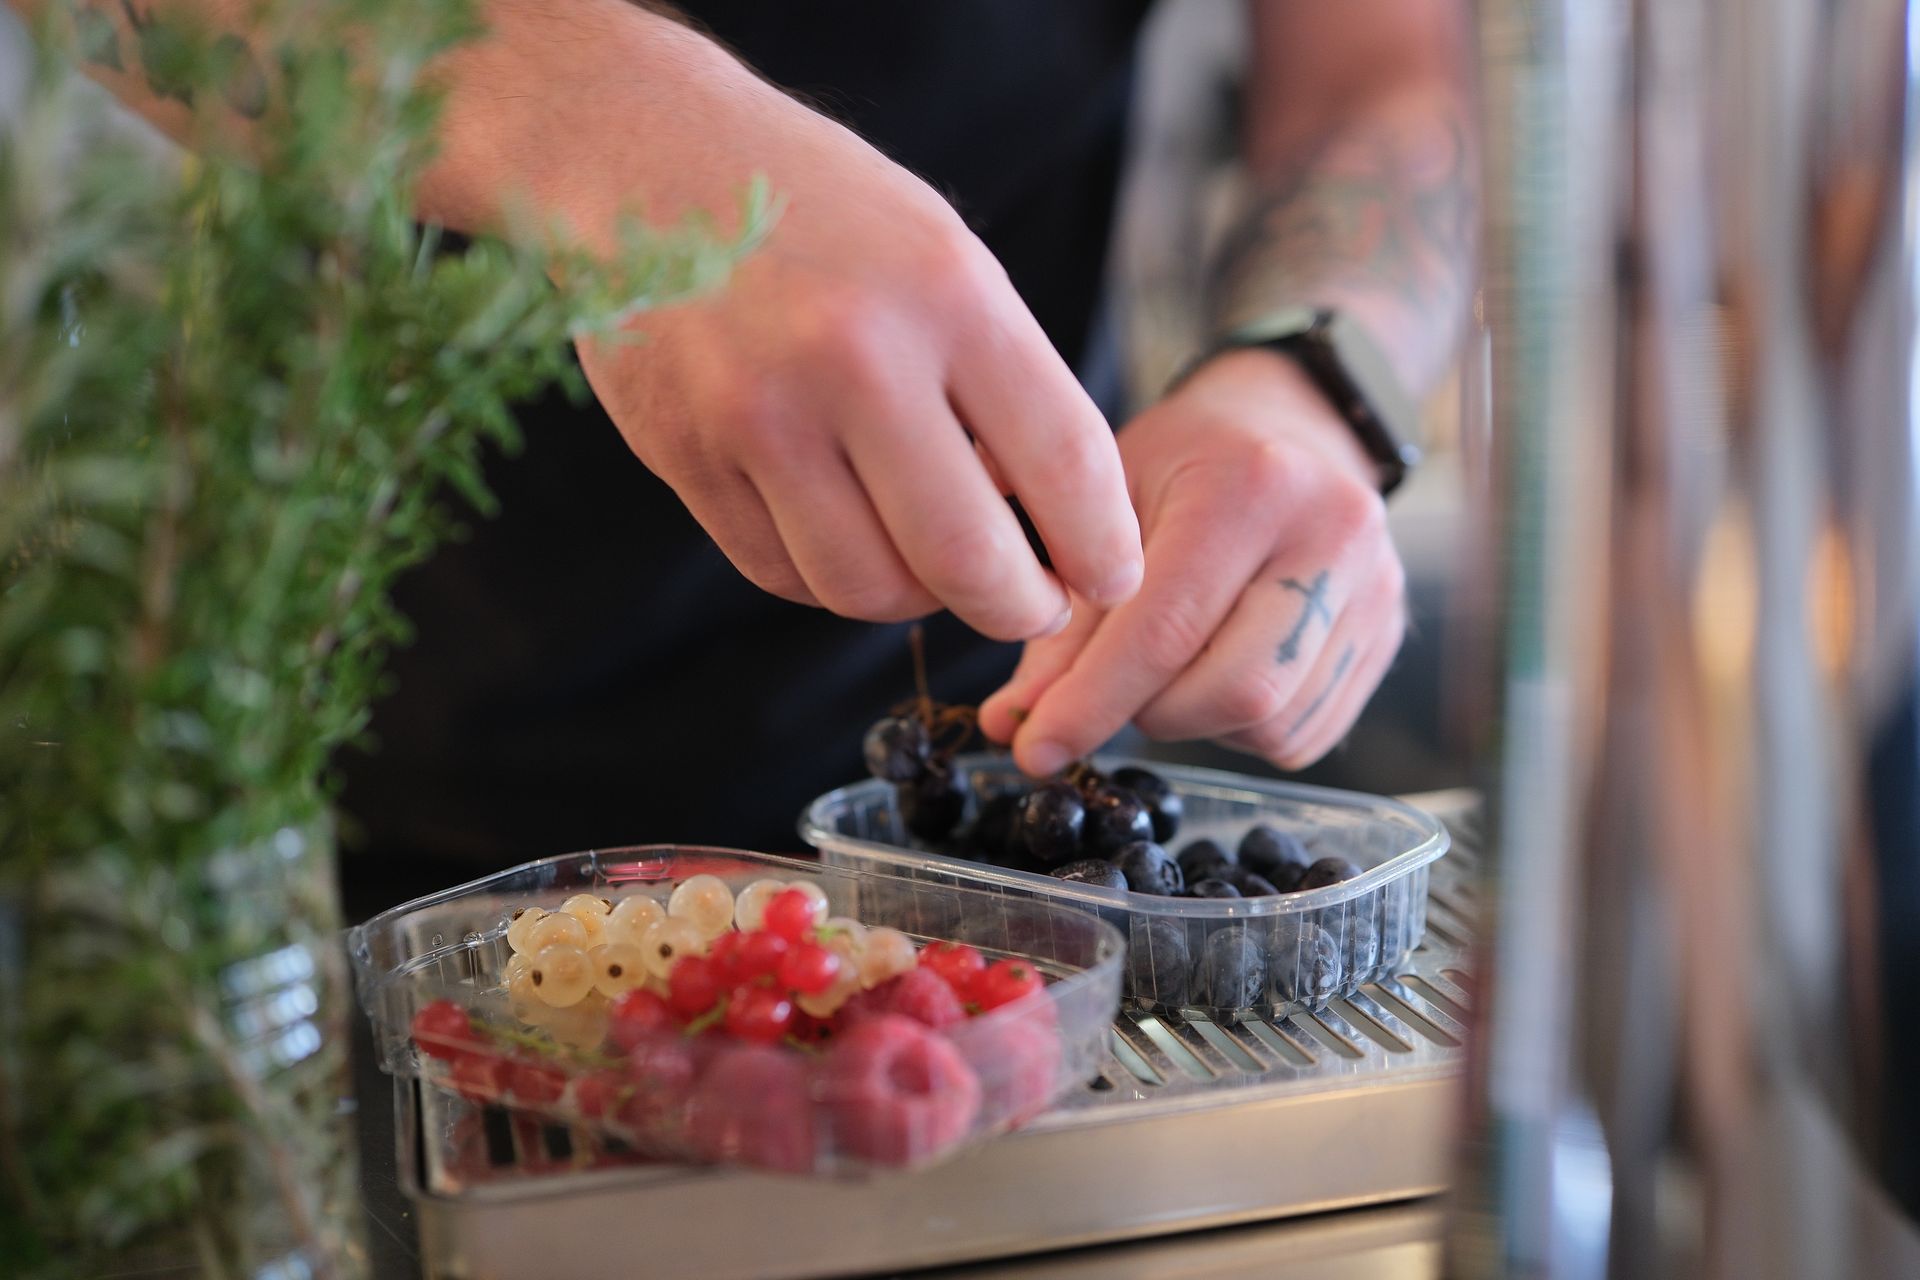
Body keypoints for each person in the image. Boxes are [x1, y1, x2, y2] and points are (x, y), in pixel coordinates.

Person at [13, 0, 1475, 898]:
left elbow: (1392, 69)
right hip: (295, 780)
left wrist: (1308, 373)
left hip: (1000, 794)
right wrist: (606, 121)